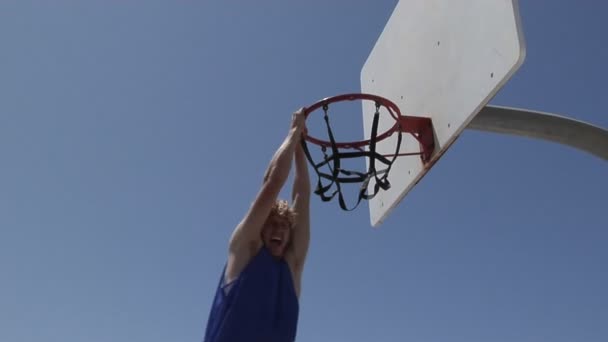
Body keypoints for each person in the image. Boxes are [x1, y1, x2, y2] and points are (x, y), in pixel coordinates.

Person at [204, 108, 311, 342]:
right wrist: (293, 134)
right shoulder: (245, 249)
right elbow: (272, 183)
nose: (279, 230)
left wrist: (300, 147)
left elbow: (302, 195)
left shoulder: (292, 266)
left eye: (284, 226)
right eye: (272, 224)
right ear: (260, 228)